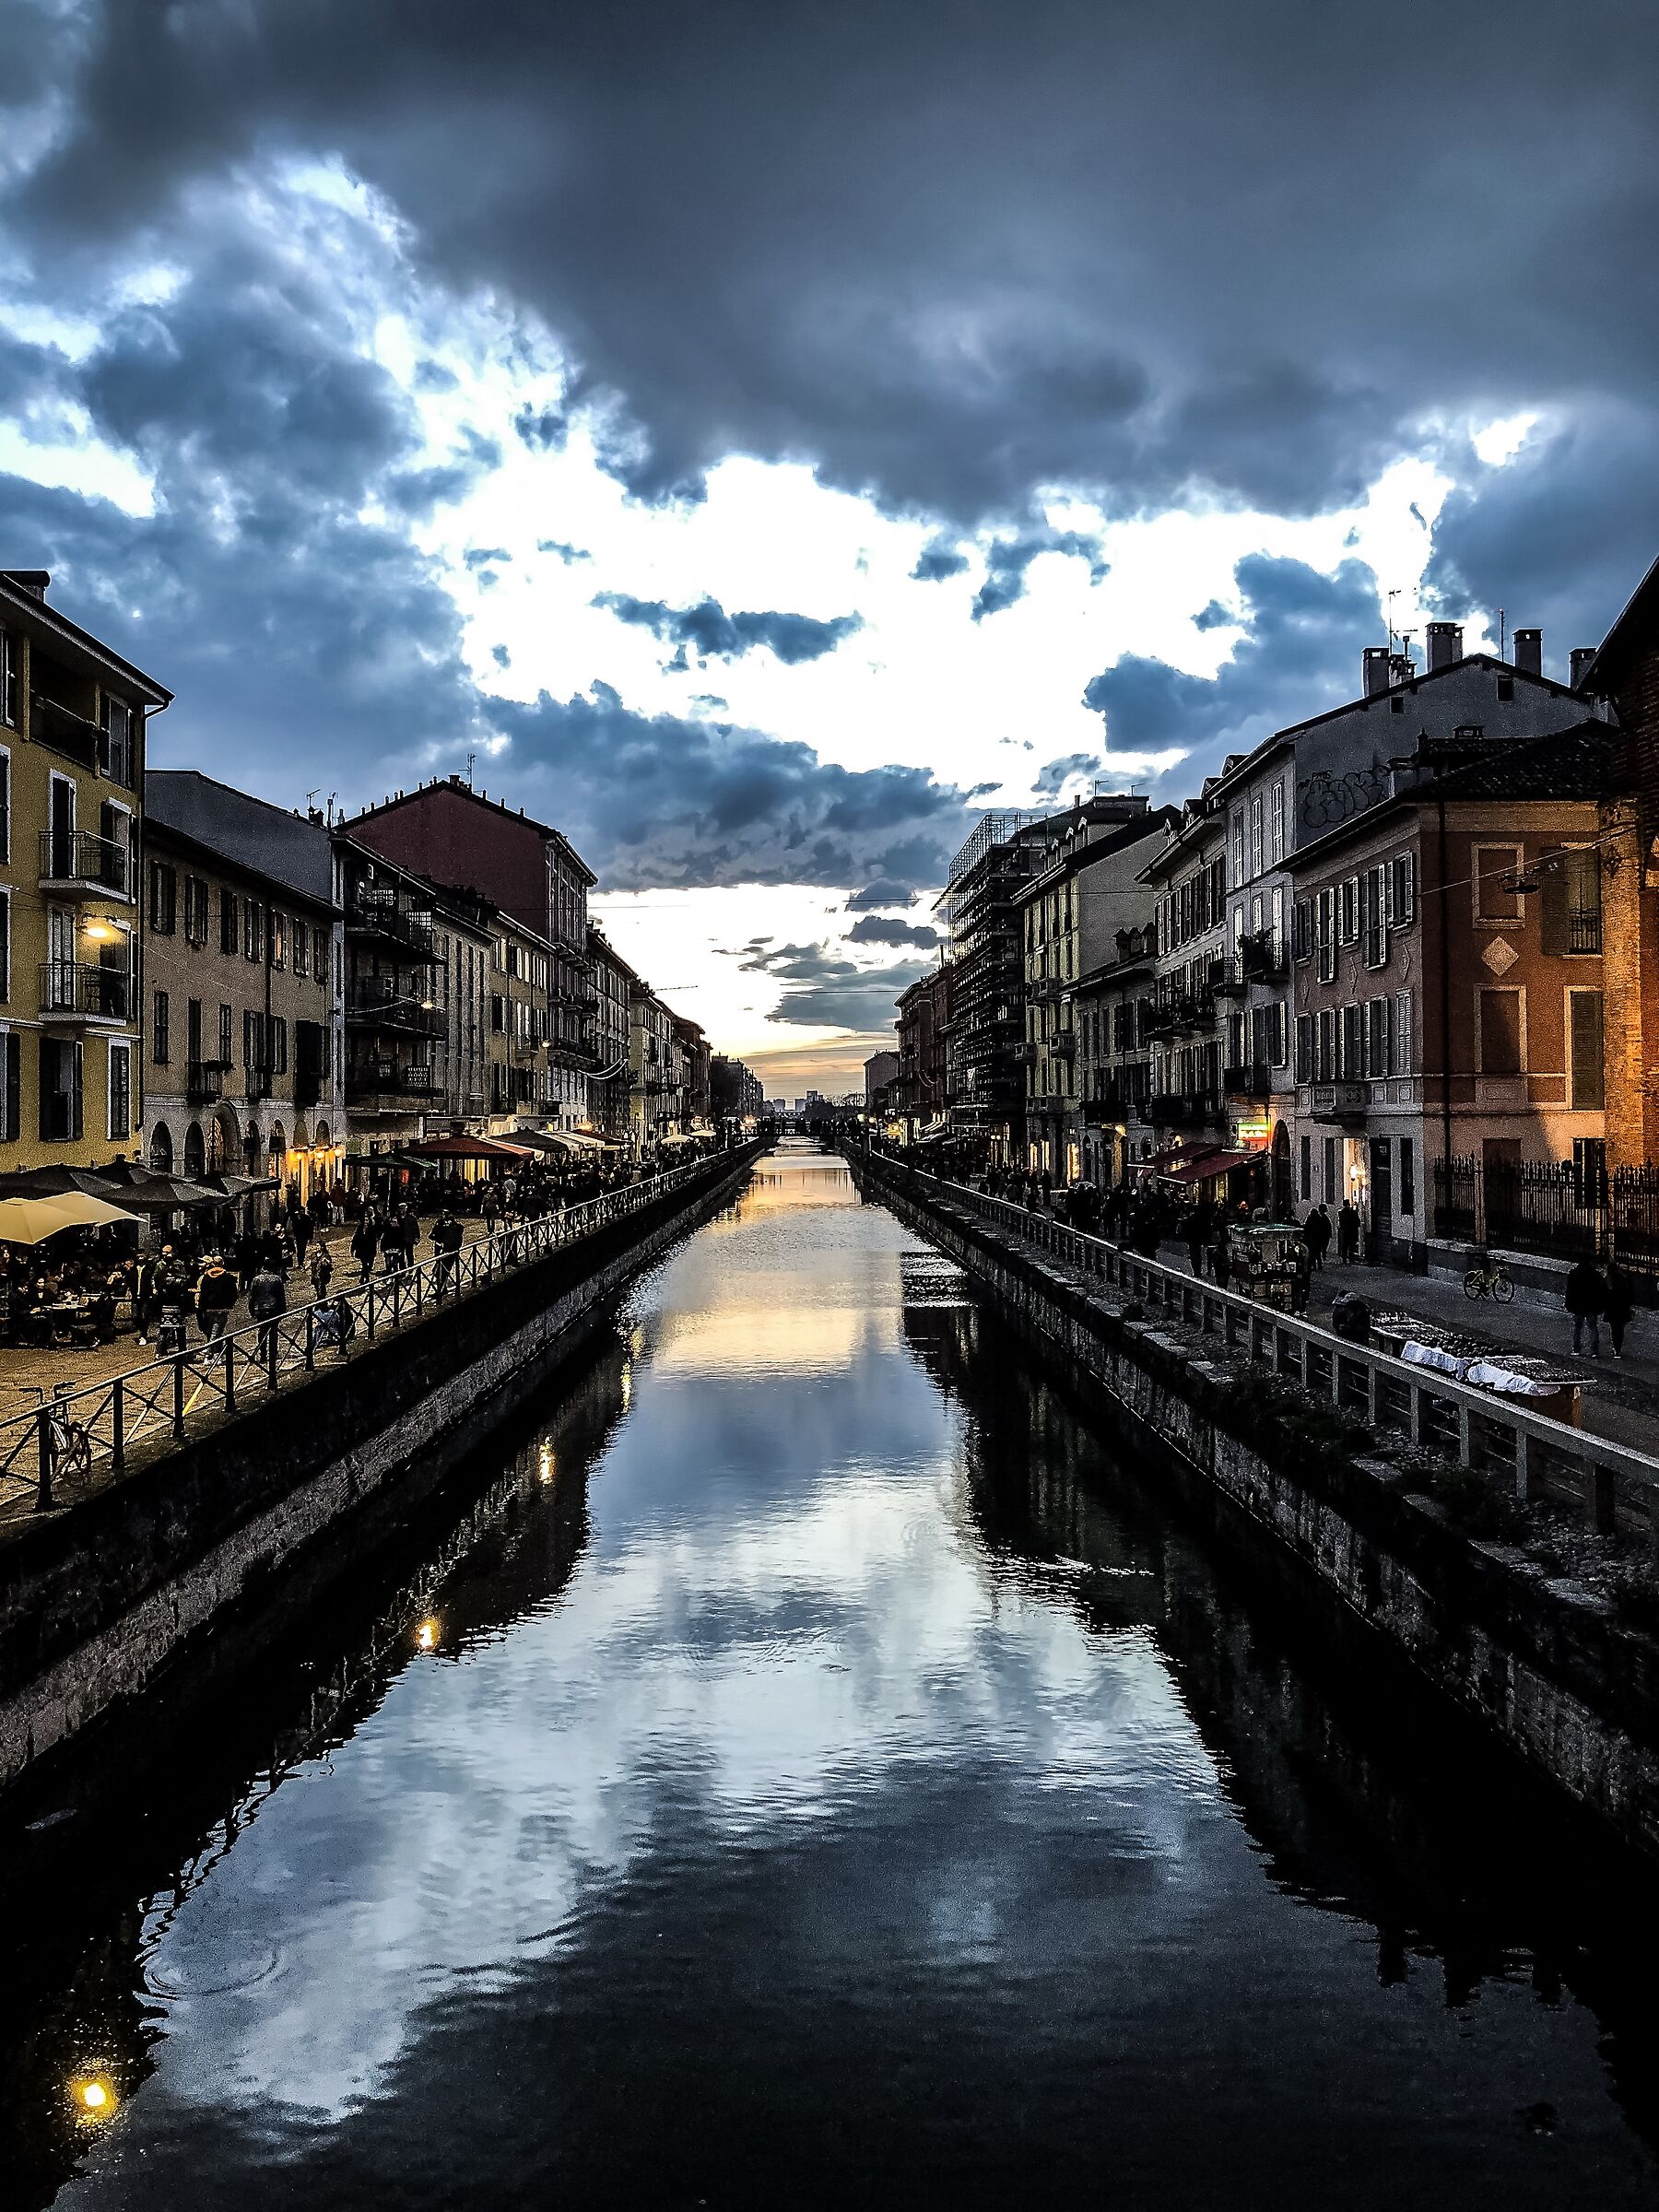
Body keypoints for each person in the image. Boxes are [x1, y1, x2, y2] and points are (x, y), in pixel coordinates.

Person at [247, 1258, 287, 1363]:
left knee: (262, 1332)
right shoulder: (277, 1279)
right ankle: (273, 1354)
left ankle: (263, 1355)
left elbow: (252, 1297)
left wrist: (251, 1309)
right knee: (273, 1332)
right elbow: (281, 1297)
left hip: (261, 1309)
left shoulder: (257, 1280)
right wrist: (283, 1310)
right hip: (274, 1309)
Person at [1565, 1255, 1605, 1357]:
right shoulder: (1595, 1275)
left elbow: (1569, 1291)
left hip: (1578, 1305)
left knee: (1578, 1327)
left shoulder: (1574, 1274)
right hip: (1591, 1305)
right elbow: (1600, 1291)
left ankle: (1576, 1348)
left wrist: (1569, 1304)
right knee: (1592, 1327)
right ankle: (1594, 1350)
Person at [195, 1252, 238, 1342]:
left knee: (210, 1330)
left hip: (208, 1308)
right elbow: (233, 1294)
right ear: (222, 1264)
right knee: (217, 1331)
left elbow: (203, 1293)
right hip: (222, 1308)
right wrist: (230, 1305)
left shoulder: (206, 1277)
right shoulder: (228, 1277)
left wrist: (202, 1306)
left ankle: (214, 1351)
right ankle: (210, 1351)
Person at [1603, 1262, 1634, 1360]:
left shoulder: (1608, 1281)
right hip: (1622, 1308)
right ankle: (1618, 1348)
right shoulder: (1624, 1280)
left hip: (1612, 1308)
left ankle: (1616, 1348)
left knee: (1614, 1329)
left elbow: (1604, 1295)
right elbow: (1629, 1295)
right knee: (1620, 1329)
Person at [350, 1211, 380, 1284]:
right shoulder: (360, 1228)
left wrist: (373, 1252)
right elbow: (355, 1239)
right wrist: (352, 1248)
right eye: (364, 1220)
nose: (366, 1222)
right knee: (364, 1264)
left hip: (369, 1250)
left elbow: (374, 1242)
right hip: (361, 1250)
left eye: (367, 1220)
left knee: (366, 1266)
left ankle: (364, 1278)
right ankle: (366, 1279)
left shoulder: (372, 1229)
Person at [1305, 1202, 1331, 1271]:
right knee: (1317, 1253)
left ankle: (1315, 1266)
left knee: (1313, 1254)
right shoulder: (1320, 1219)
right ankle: (1319, 1265)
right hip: (1318, 1238)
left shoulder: (1311, 1219)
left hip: (1313, 1238)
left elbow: (1307, 1228)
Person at [1336, 1198, 1361, 1265]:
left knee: (1345, 1246)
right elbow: (1358, 1223)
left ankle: (1344, 1259)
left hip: (1345, 1232)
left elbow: (1341, 1224)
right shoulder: (1353, 1213)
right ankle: (1351, 1259)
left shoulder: (1341, 1213)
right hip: (1353, 1232)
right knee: (1352, 1246)